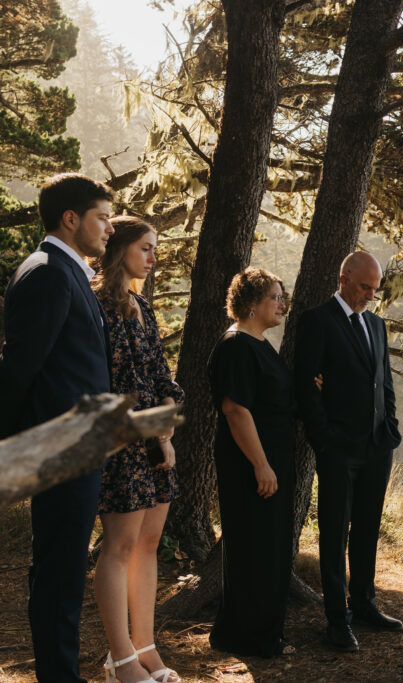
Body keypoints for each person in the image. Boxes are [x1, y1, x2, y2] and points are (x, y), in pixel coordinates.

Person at [0, 173, 114, 682]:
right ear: (71, 219)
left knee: (65, 569)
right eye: (102, 218)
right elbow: (19, 368)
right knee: (58, 572)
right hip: (59, 447)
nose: (110, 229)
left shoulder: (67, 271)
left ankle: (61, 673)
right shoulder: (46, 272)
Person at [294, 251, 403, 653]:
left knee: (367, 530)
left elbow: (384, 383)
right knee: (334, 533)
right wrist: (324, 439)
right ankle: (337, 620)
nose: (370, 296)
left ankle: (364, 605)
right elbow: (306, 387)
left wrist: (390, 429)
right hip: (338, 448)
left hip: (378, 446)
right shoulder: (317, 321)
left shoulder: (376, 325)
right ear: (344, 279)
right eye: (364, 287)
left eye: (375, 289)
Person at [92, 217, 184, 683]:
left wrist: (165, 429)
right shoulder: (97, 303)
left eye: (155, 249)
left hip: (155, 443)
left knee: (147, 544)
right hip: (123, 443)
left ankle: (146, 647)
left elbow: (162, 376)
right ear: (121, 248)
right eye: (145, 248)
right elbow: (111, 383)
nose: (152, 257)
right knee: (120, 545)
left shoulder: (141, 304)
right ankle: (120, 657)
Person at [207, 267, 296, 658]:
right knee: (255, 550)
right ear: (251, 302)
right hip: (252, 466)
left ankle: (243, 632)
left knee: (267, 547)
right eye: (275, 296)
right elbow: (235, 410)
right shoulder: (236, 345)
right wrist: (261, 465)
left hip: (271, 462)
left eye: (282, 296)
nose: (282, 303)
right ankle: (254, 638)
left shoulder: (259, 343)